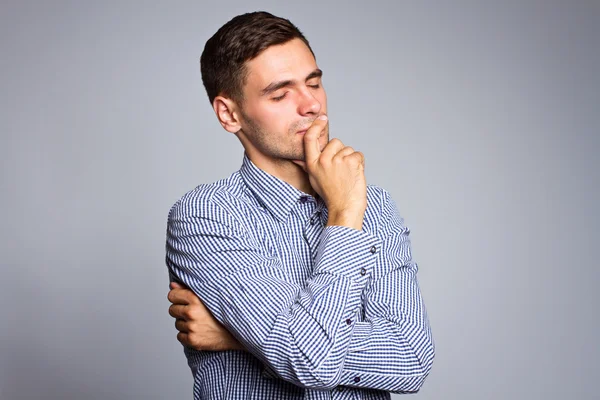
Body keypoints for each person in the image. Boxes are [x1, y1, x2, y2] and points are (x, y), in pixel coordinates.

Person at [165, 11, 434, 399]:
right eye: (280, 93)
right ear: (229, 113)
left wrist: (242, 338)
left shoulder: (373, 204)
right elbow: (309, 357)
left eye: (314, 83)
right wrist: (343, 216)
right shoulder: (206, 215)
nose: (311, 105)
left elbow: (411, 360)